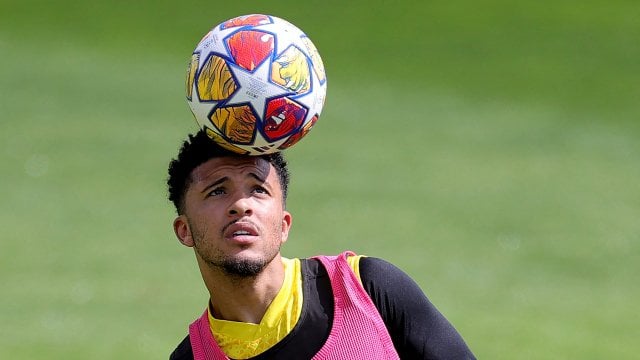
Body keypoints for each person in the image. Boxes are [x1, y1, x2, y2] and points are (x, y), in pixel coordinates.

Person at [167, 130, 475, 359]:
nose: (241, 205)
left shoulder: (368, 289)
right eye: (218, 192)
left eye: (259, 190)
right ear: (184, 230)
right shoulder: (190, 357)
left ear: (283, 225)